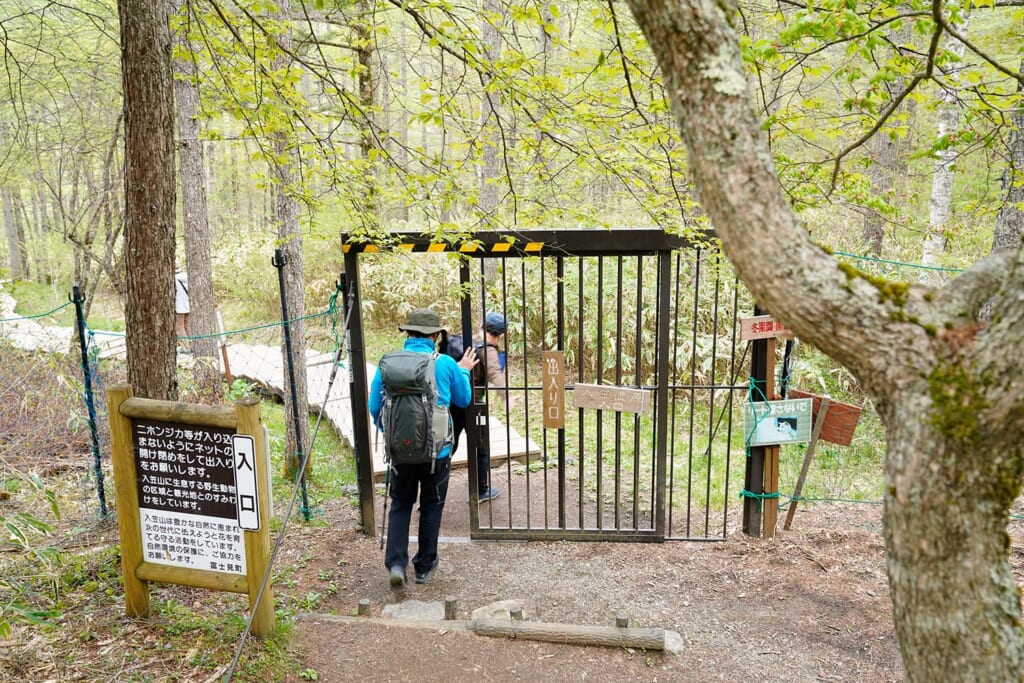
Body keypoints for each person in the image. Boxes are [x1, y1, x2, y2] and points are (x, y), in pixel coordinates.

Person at [369, 307, 477, 587]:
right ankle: (424, 566)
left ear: (407, 333)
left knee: (401, 504)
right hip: (436, 453)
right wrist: (463, 371)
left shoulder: (388, 363)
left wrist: (394, 434)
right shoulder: (444, 363)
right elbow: (464, 401)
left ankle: (395, 562)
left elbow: (373, 407)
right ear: (434, 335)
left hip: (399, 453)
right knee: (431, 504)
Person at [450, 311, 509, 504]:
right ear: (500, 335)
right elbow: (494, 373)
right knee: (480, 445)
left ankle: (434, 485)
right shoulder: (488, 350)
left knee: (449, 442)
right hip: (474, 404)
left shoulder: (469, 341)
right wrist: (506, 396)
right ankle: (481, 490)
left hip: (453, 401)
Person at [174, 270, 191, 347]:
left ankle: (186, 347)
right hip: (188, 305)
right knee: (187, 327)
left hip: (179, 307)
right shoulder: (187, 275)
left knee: (180, 328)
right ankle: (192, 345)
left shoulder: (173, 278)